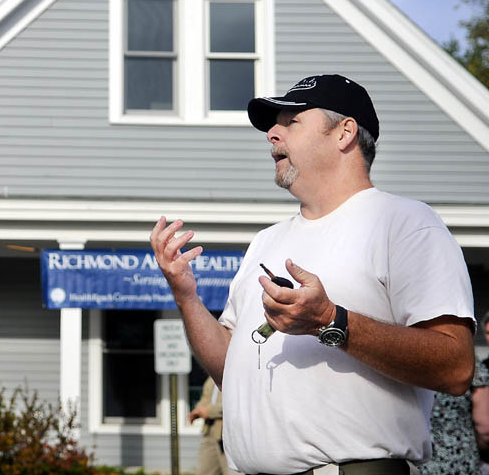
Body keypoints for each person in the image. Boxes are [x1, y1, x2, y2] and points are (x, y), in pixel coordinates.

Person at [150, 74, 475, 474]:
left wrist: (329, 320)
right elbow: (230, 371)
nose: (271, 133)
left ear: (344, 133)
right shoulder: (266, 241)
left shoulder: (406, 223)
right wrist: (186, 296)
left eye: (291, 122)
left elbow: (456, 367)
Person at [419, 358, 489, 475]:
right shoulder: (471, 365)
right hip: (462, 461)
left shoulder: (414, 364)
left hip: (424, 462)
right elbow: (485, 427)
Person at [189, 375, 229, 475]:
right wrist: (197, 411)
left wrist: (208, 411)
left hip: (226, 436)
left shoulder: (235, 374)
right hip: (209, 432)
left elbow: (232, 404)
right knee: (203, 471)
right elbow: (205, 398)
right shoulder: (212, 376)